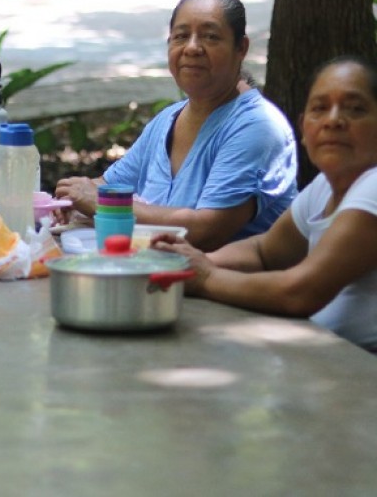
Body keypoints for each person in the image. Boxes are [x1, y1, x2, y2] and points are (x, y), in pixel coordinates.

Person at [154, 55, 377, 353]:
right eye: (319, 109)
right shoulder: (326, 187)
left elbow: (300, 292)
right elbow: (264, 252)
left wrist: (207, 277)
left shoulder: (373, 186)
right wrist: (184, 262)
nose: (333, 120)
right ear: (303, 128)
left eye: (355, 109)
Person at [55, 0, 298, 251]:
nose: (192, 48)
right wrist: (71, 200)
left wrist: (101, 203)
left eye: (210, 36)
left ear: (241, 48)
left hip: (225, 288)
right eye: (181, 36)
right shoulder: (167, 120)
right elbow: (108, 186)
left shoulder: (257, 127)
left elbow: (206, 230)